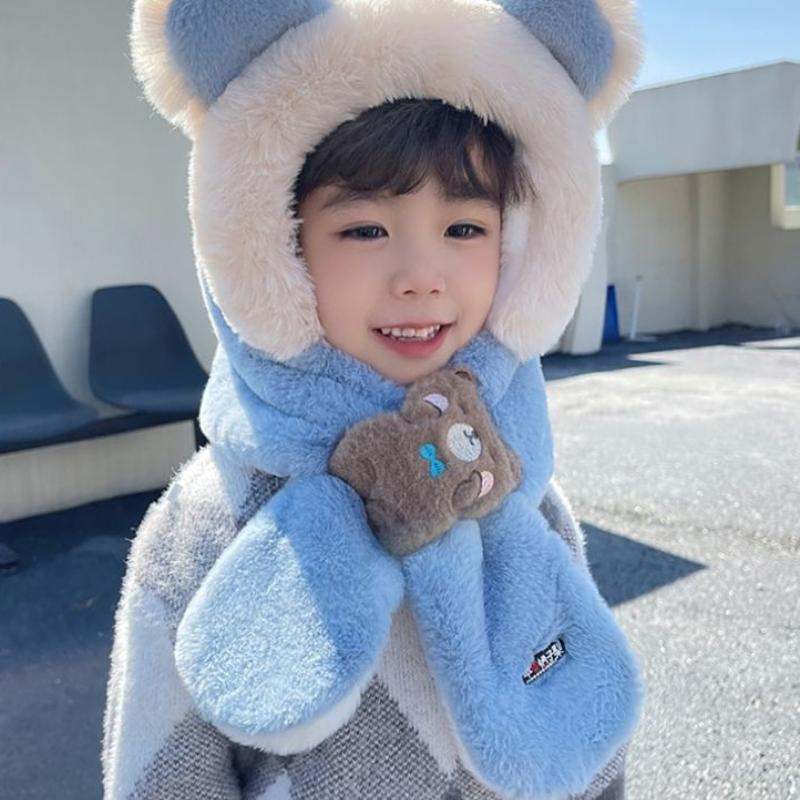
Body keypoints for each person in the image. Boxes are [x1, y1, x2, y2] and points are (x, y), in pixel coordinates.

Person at [102, 1, 646, 798]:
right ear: (275, 246)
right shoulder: (205, 522)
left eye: (465, 229)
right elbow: (160, 774)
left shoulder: (521, 492)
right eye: (364, 230)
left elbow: (585, 737)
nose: (421, 276)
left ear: (521, 245)